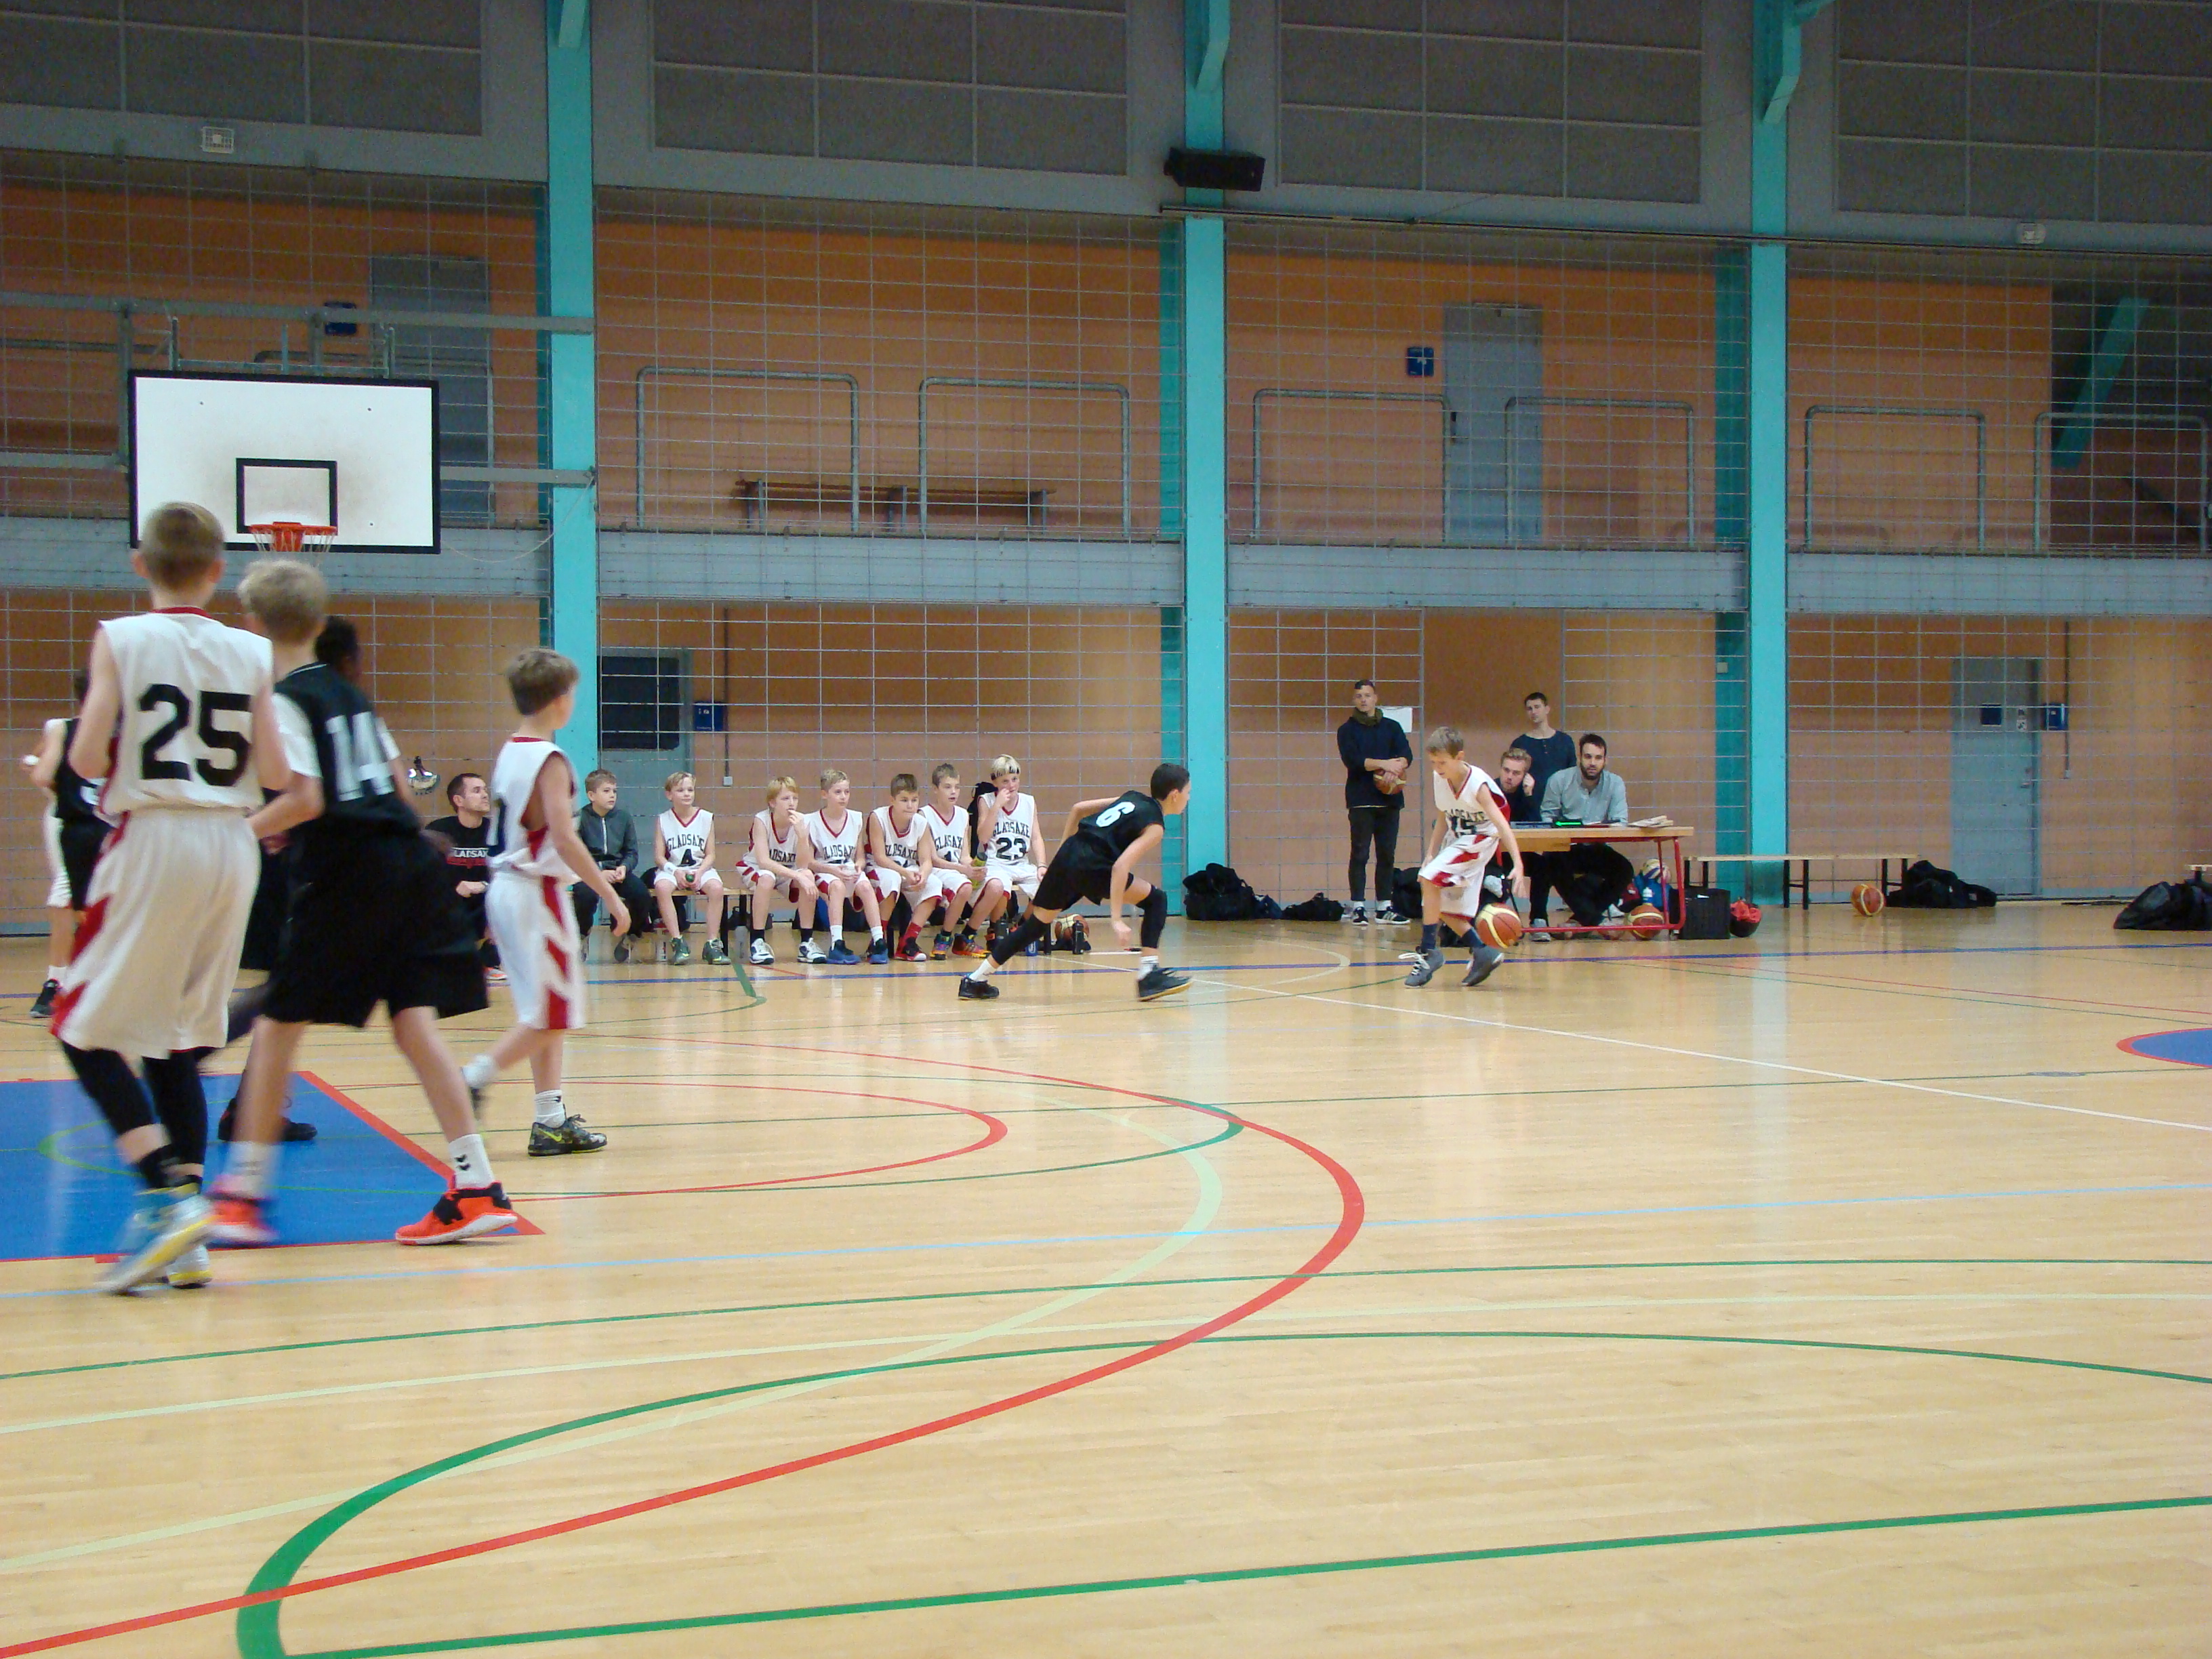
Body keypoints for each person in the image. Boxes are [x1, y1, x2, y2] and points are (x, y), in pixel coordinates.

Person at [209, 559, 513, 1249]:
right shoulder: (352, 699)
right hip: (411, 866)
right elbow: (399, 795)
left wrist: (243, 831)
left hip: (352, 876)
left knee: (277, 1026)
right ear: (319, 621)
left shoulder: (283, 699)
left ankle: (242, 1195)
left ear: (253, 624)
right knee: (413, 1025)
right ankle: (475, 1187)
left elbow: (307, 796)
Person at [51, 501, 288, 1292]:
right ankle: (186, 1245)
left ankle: (163, 1194)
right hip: (232, 844)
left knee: (78, 1028)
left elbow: (87, 759)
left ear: (139, 564)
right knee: (178, 1040)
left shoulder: (121, 637)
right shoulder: (252, 650)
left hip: (155, 837)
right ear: (218, 571)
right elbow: (276, 771)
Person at [455, 650, 630, 1156]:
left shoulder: (511, 750)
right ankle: (472, 1077)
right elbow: (565, 838)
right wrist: (611, 896)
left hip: (506, 888)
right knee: (554, 1013)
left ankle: (550, 1121)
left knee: (542, 1011)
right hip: (536, 892)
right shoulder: (550, 760)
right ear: (559, 699)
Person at [959, 763, 1191, 1004]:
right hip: (1093, 864)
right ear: (1175, 795)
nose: (1188, 798)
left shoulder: (1132, 796)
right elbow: (1120, 867)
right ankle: (1149, 974)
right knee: (1157, 900)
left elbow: (1078, 808)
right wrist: (1116, 919)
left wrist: (1062, 854)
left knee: (1036, 926)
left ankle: (975, 979)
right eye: (1188, 792)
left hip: (1070, 853)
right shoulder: (1155, 826)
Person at [1404, 726, 1529, 989]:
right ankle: (1482, 951)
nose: (1437, 768)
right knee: (1442, 907)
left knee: (1428, 880)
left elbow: (1502, 825)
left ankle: (1429, 951)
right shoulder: (1440, 778)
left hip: (1481, 838)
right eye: (1433, 762)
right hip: (1457, 838)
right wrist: (1431, 853)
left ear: (1459, 757)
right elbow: (1443, 816)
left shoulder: (1477, 785)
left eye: (1442, 762)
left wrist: (1518, 864)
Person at [26, 670, 102, 1020]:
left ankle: (94, 979)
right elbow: (38, 766)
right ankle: (55, 982)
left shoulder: (127, 730)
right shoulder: (61, 727)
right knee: (65, 893)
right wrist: (65, 789)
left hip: (110, 818)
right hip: (71, 817)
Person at [1336, 678, 1412, 925]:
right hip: (1361, 800)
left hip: (1390, 800)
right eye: (1359, 696)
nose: (1363, 700)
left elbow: (1406, 755)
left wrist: (1396, 768)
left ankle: (1384, 906)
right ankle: (1358, 906)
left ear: (1375, 698)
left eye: (1367, 695)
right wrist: (1385, 764)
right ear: (1354, 700)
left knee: (1387, 854)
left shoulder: (1392, 727)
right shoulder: (1346, 730)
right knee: (1360, 853)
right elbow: (1354, 761)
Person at [1538, 731, 1635, 928]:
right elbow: (1547, 818)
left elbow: (1620, 821)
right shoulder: (1559, 780)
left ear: (1605, 760)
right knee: (1550, 862)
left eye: (1598, 758)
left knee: (1625, 869)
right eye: (1588, 757)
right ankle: (1596, 920)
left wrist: (1607, 828)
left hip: (1596, 847)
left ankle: (1582, 920)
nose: (1592, 763)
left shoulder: (1615, 783)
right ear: (1579, 758)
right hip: (1566, 847)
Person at [426, 772, 503, 983]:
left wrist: (484, 885)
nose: (485, 795)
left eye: (485, 790)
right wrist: (454, 889)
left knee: (507, 900)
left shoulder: (495, 831)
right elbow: (425, 875)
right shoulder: (439, 831)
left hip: (485, 903)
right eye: (477, 791)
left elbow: (509, 872)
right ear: (459, 800)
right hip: (449, 903)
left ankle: (489, 962)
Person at [738, 775, 823, 964]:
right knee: (767, 878)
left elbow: (803, 864)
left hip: (786, 870)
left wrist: (802, 837)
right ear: (772, 803)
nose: (791, 803)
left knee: (808, 875)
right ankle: (757, 941)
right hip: (757, 867)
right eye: (785, 798)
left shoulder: (803, 821)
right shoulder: (762, 820)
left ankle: (806, 942)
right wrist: (797, 876)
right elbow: (764, 861)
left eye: (795, 798)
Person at [650, 770, 729, 966]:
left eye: (690, 790)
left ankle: (712, 944)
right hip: (673, 869)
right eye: (681, 790)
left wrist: (700, 872)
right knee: (662, 887)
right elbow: (659, 857)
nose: (687, 794)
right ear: (669, 795)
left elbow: (711, 854)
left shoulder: (706, 818)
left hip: (700, 868)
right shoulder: (663, 819)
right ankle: (678, 942)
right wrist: (675, 872)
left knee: (717, 888)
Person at [803, 768, 878, 964]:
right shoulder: (810, 821)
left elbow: (860, 857)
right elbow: (809, 862)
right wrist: (833, 870)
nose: (843, 796)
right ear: (824, 794)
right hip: (825, 871)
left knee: (866, 886)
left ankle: (879, 941)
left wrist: (859, 867)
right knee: (837, 887)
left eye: (847, 792)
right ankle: (837, 943)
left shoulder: (856, 818)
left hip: (848, 869)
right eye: (838, 792)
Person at [575, 769, 651, 962]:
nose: (612, 795)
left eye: (614, 791)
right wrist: (598, 872)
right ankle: (582, 934)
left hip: (617, 871)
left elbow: (632, 852)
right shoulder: (580, 818)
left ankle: (632, 936)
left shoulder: (623, 818)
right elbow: (577, 855)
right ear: (591, 795)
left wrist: (624, 867)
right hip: (590, 872)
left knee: (642, 894)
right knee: (584, 895)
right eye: (606, 791)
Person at [918, 762, 990, 958]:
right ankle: (944, 937)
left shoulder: (963, 815)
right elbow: (932, 859)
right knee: (965, 886)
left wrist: (974, 867)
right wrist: (963, 870)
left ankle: (968, 937)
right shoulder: (924, 815)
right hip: (935, 870)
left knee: (994, 885)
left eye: (957, 787)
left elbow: (964, 856)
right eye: (947, 787)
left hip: (957, 870)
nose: (953, 792)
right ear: (935, 789)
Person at [867, 773, 935, 962]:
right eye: (904, 800)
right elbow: (880, 857)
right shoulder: (878, 817)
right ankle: (878, 940)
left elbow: (927, 860)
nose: (910, 805)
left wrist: (923, 875)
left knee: (934, 884)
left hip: (908, 871)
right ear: (892, 800)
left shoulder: (921, 823)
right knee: (892, 879)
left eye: (914, 800)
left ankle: (908, 942)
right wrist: (905, 872)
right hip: (879, 868)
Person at [975, 754, 1044, 919]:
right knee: (1000, 888)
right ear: (995, 783)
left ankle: (1022, 927)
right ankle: (996, 927)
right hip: (996, 864)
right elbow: (983, 838)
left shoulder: (1029, 802)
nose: (1011, 785)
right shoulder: (986, 800)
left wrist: (1042, 865)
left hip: (1021, 864)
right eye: (1005, 781)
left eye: (1014, 779)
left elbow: (1036, 837)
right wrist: (996, 806)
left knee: (1047, 889)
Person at [1514, 692, 1577, 806]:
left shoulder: (1565, 741)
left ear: (1547, 709)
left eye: (1537, 707)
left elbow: (1573, 773)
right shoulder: (1520, 744)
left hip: (1561, 803)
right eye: (1530, 709)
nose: (1534, 712)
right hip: (1531, 802)